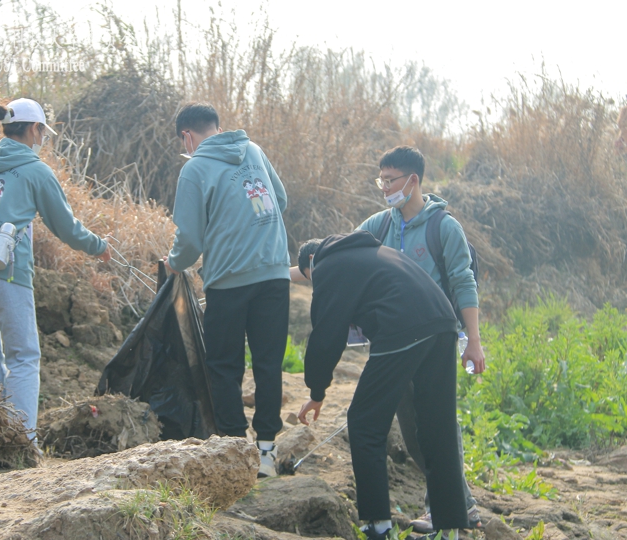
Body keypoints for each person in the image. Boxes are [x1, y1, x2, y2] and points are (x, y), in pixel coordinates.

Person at [0, 98, 110, 441]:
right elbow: (65, 226)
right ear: (35, 128)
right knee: (22, 355)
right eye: (42, 131)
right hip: (5, 272)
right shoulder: (36, 170)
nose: (43, 138)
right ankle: (21, 443)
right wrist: (99, 246)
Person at [295, 232, 469, 540]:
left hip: (404, 327)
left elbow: (326, 334)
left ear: (311, 262)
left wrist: (316, 391)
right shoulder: (370, 252)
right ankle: (450, 529)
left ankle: (377, 525)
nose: (314, 284)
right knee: (436, 426)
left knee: (364, 422)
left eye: (311, 280)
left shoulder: (326, 264)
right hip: (443, 321)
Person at [357, 146, 484, 532]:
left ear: (412, 180)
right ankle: (461, 504)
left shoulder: (443, 227)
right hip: (394, 344)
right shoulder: (377, 225)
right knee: (412, 429)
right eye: (380, 180)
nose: (384, 187)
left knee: (439, 424)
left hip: (435, 343)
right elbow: (344, 254)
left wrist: (473, 341)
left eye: (389, 180)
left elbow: (464, 282)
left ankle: (443, 509)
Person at [163, 102, 290, 477]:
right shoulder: (253, 151)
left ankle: (236, 450)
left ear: (187, 135)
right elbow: (279, 201)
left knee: (224, 365)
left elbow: (189, 237)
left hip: (229, 280)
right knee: (268, 363)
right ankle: (266, 452)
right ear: (215, 126)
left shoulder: (194, 169)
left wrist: (176, 262)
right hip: (274, 273)